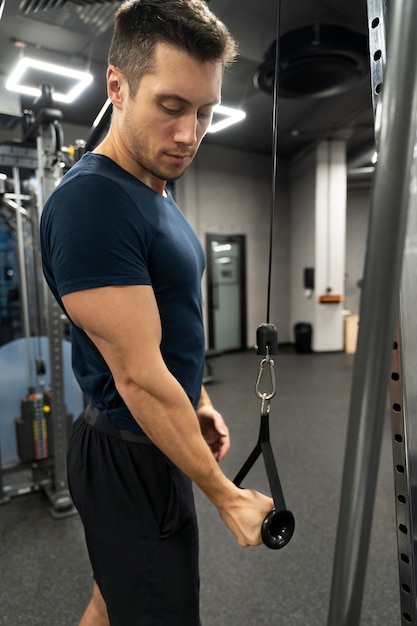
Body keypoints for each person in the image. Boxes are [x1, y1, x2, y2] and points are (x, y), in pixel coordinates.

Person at [40, 1, 274, 624]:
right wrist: (226, 497)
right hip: (128, 453)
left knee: (116, 598)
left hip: (156, 436)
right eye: (171, 107)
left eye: (205, 112)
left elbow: (169, 318)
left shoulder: (155, 193)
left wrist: (196, 398)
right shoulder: (94, 203)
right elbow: (139, 374)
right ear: (116, 86)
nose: (189, 132)